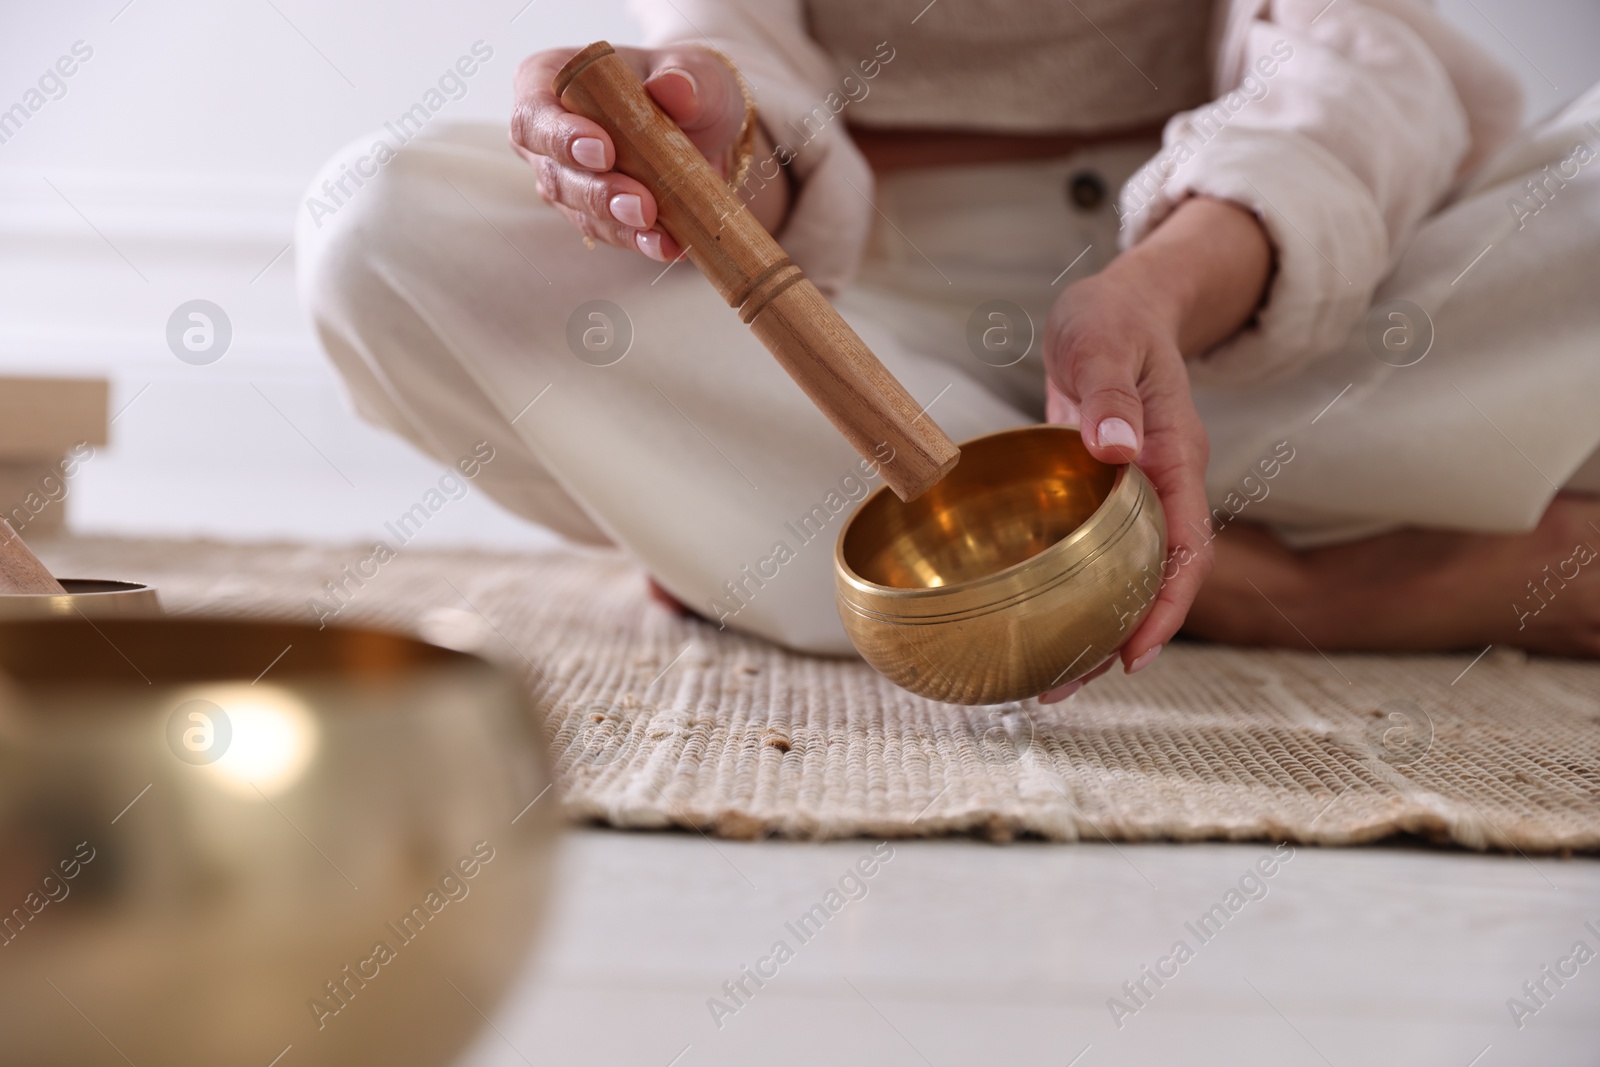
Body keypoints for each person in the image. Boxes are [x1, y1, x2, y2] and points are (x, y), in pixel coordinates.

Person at [296, 0, 1600, 700]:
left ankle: (785, 535)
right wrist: (698, 146)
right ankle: (1295, 587)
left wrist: (1152, 296)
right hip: (862, 343)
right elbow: (745, 84)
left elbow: (1359, 75)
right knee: (382, 219)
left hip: (1232, 289)